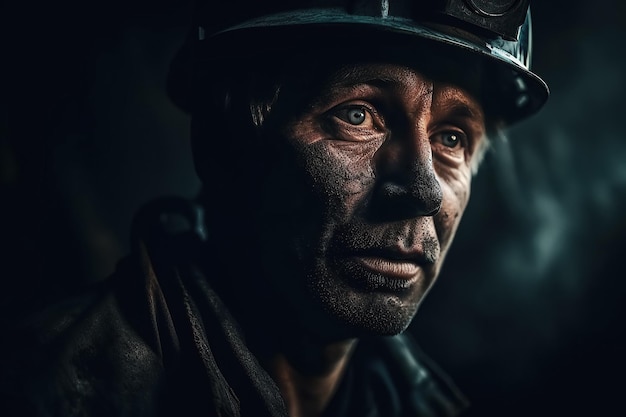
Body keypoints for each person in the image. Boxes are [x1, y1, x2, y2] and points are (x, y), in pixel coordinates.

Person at [1, 0, 548, 416]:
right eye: (358, 116)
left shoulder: (427, 404)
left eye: (452, 138)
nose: (425, 190)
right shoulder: (46, 389)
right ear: (221, 142)